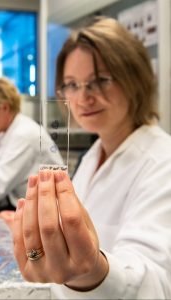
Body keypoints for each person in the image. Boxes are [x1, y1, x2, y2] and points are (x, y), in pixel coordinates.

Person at [13, 17, 171, 299]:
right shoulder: (94, 155)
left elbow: (157, 283)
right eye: (72, 85)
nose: (83, 97)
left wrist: (92, 273)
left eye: (99, 81)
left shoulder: (163, 161)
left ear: (135, 80)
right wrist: (29, 224)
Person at [0, 77, 63, 212]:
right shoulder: (8, 131)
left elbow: (0, 185)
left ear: (4, 108)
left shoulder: (23, 134)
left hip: (43, 210)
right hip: (21, 202)